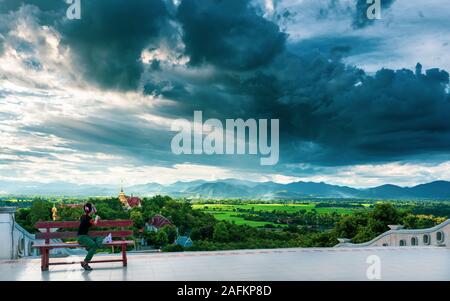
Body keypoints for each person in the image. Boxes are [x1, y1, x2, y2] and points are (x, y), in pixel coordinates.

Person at [77, 202, 103, 271]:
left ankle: (96, 246)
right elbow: (95, 223)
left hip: (84, 236)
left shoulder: (82, 216)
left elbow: (92, 213)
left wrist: (93, 209)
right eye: (92, 208)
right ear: (91, 210)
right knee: (94, 246)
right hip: (82, 238)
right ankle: (85, 262)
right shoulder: (89, 218)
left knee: (98, 238)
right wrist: (97, 218)